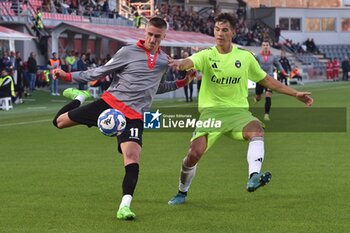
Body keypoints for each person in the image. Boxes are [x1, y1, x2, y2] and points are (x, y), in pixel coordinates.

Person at [52, 17, 194, 221]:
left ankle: (124, 206)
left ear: (164, 36)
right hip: (109, 104)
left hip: (135, 116)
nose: (152, 39)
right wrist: (67, 76)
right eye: (150, 34)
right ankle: (79, 97)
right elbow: (100, 72)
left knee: (132, 158)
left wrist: (182, 82)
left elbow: (158, 87)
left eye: (157, 36)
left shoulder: (164, 61)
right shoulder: (127, 52)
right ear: (145, 32)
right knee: (59, 123)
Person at [167, 13, 313, 205]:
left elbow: (267, 80)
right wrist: (180, 63)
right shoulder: (207, 55)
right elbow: (191, 61)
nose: (219, 34)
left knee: (257, 130)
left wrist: (295, 94)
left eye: (224, 30)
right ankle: (182, 192)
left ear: (233, 32)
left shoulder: (244, 57)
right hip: (212, 113)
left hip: (238, 113)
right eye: (217, 29)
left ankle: (253, 176)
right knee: (194, 154)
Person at [255, 39, 287, 121]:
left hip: (270, 78)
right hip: (260, 78)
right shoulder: (258, 56)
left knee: (268, 95)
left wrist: (283, 72)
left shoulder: (273, 57)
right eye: (264, 45)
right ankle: (257, 98)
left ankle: (266, 114)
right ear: (262, 46)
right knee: (258, 97)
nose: (265, 47)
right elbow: (253, 65)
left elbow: (278, 65)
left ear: (269, 46)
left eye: (267, 45)